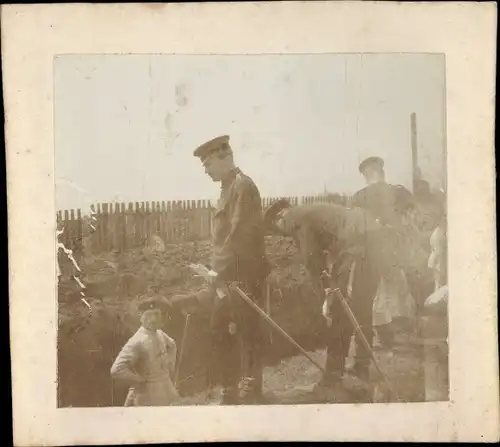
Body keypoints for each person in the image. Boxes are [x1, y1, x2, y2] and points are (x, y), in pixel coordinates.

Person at [191, 135, 271, 405]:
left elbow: (239, 236)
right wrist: (214, 273)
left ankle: (251, 389)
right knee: (219, 329)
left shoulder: (243, 187)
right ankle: (230, 388)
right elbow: (221, 238)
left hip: (243, 276)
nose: (205, 169)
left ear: (226, 157)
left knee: (249, 332)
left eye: (209, 162)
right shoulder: (227, 189)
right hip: (226, 277)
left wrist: (219, 273)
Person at [345, 156, 416, 382]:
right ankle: (385, 340)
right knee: (386, 298)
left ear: (367, 174)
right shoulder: (400, 192)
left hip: (370, 257)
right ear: (380, 172)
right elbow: (408, 221)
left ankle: (365, 358)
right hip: (392, 255)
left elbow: (354, 229)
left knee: (370, 304)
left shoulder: (360, 197)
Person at [110, 296, 180, 406]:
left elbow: (172, 344)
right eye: (148, 315)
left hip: (166, 388)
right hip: (148, 394)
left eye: (156, 314)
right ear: (141, 317)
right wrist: (137, 379)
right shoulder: (137, 341)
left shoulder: (159, 333)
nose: (153, 319)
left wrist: (170, 365)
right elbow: (116, 370)